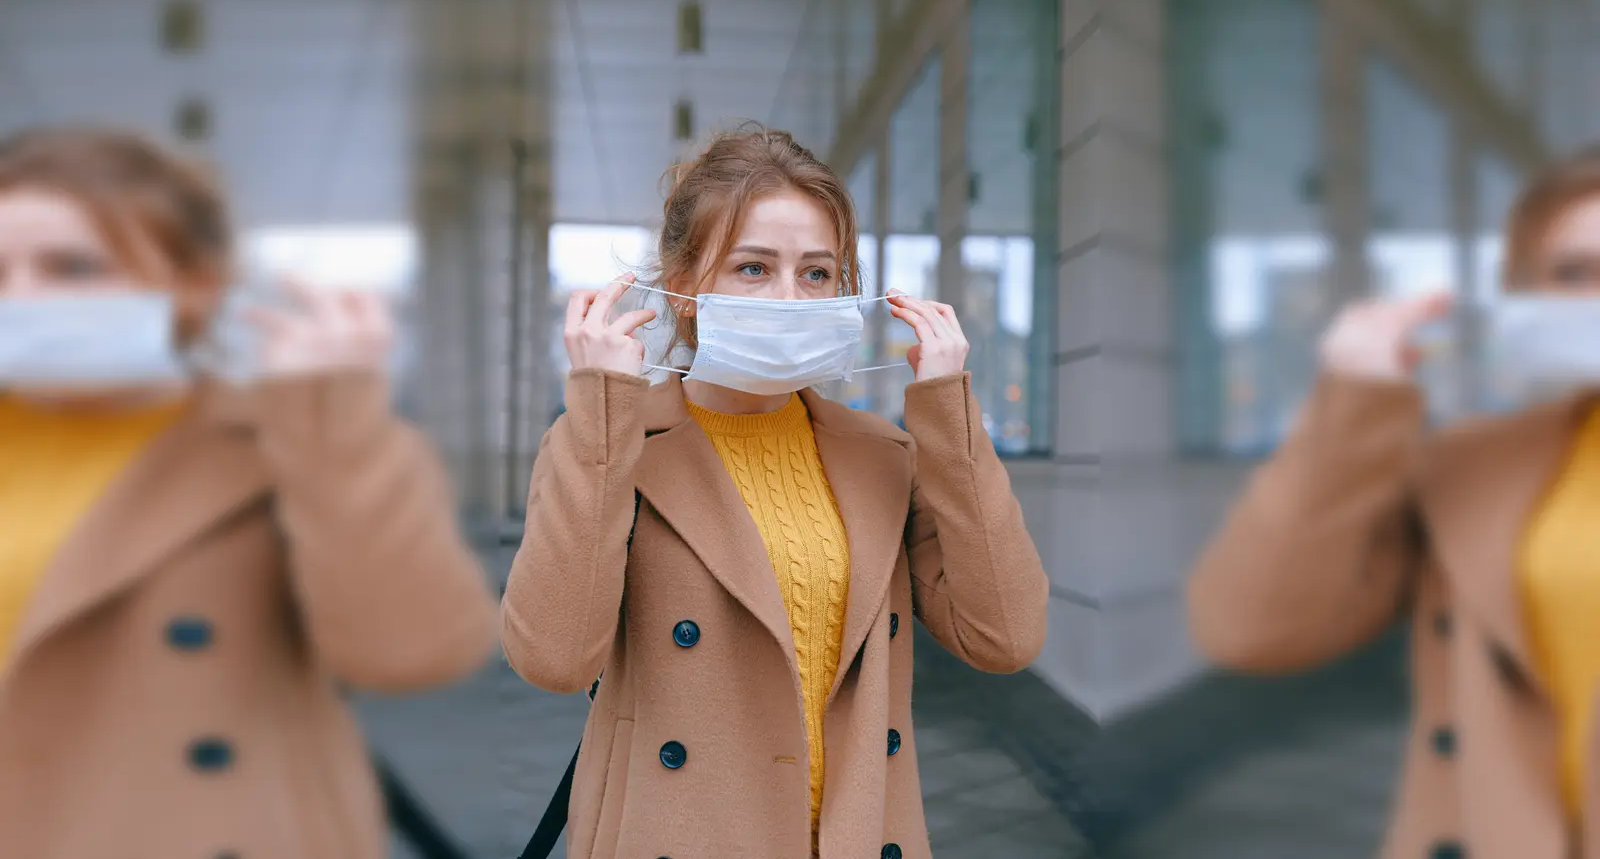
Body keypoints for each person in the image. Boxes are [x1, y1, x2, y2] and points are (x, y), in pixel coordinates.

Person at [501, 127, 1049, 859]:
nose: (790, 298)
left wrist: (950, 420)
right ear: (686, 286)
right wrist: (601, 407)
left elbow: (1005, 636)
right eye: (754, 268)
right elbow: (555, 659)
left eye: (817, 274)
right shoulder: (612, 446)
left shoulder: (882, 456)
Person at [0, 127, 498, 858]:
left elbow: (413, 654)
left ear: (196, 282)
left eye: (73, 267)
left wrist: (333, 418)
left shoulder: (287, 437)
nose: (22, 299)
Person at [1188, 144, 1600, 859]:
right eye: (1576, 272)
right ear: (1529, 292)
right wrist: (1356, 403)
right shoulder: (1476, 464)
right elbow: (1249, 629)